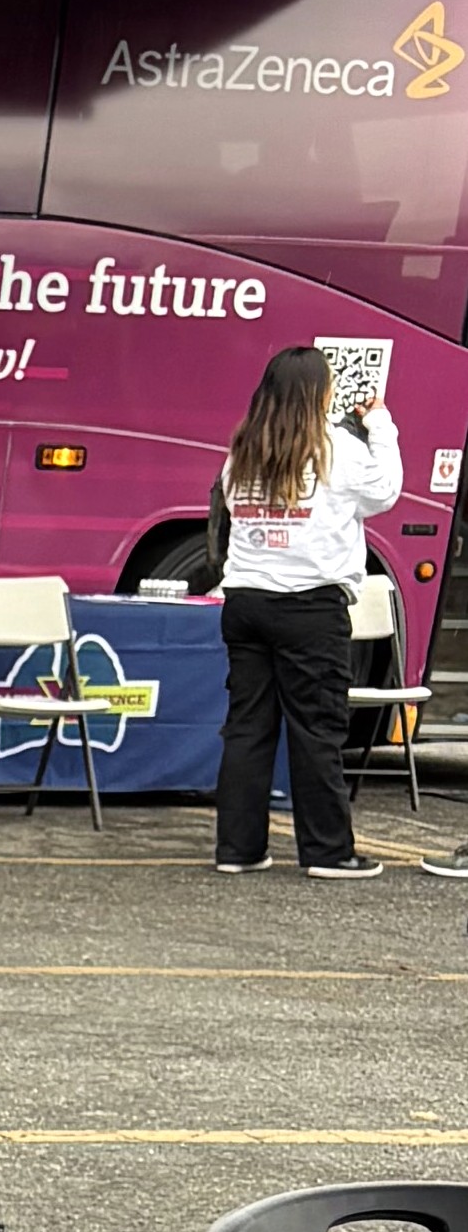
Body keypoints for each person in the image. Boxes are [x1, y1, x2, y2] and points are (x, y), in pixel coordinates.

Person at [207, 342, 396, 882]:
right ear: (320, 394)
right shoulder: (336, 448)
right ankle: (327, 851)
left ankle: (238, 848)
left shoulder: (241, 450)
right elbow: (386, 491)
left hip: (245, 602)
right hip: (310, 608)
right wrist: (380, 424)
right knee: (316, 729)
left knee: (247, 728)